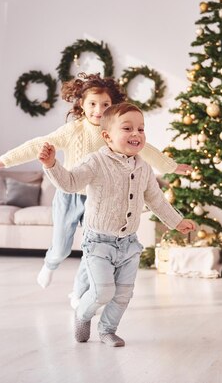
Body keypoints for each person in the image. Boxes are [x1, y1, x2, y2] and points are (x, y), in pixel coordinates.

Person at [0, 73, 190, 298]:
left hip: (98, 199)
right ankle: (51, 264)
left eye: (105, 104)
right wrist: (5, 160)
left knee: (93, 250)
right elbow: (39, 144)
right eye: (92, 104)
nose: (98, 110)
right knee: (61, 248)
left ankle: (78, 293)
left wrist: (171, 166)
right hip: (69, 194)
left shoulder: (116, 131)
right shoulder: (73, 131)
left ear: (113, 106)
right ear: (81, 104)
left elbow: (146, 149)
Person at [39, 102, 196, 347]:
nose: (136, 134)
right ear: (107, 136)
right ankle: (82, 313)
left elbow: (156, 199)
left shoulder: (143, 167)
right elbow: (70, 183)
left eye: (141, 129)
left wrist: (176, 221)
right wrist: (52, 165)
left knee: (123, 294)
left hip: (129, 245)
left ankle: (107, 330)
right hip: (98, 242)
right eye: (127, 128)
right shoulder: (96, 162)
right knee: (103, 291)